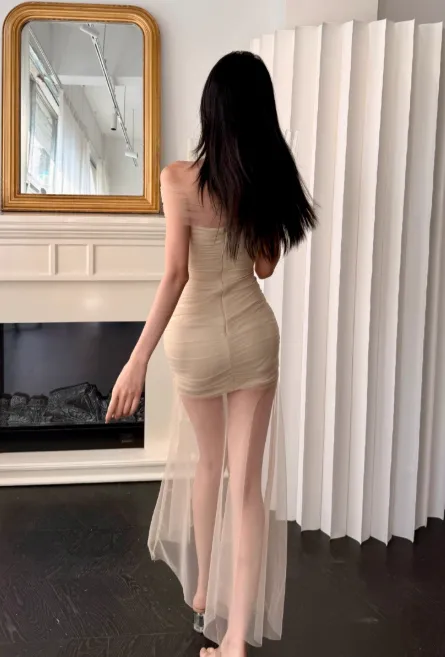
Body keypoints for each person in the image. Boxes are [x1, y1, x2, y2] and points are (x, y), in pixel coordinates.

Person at [106, 51, 316, 657]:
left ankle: (202, 589)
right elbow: (264, 269)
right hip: (253, 337)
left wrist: (137, 359)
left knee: (207, 463)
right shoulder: (265, 182)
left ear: (211, 110)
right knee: (246, 489)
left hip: (195, 342)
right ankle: (236, 641)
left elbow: (175, 276)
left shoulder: (177, 179)